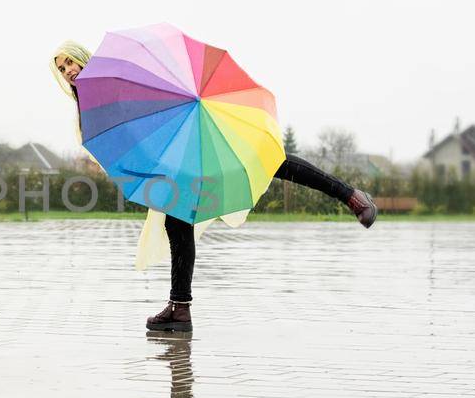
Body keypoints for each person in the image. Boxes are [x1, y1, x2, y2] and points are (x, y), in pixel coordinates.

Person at [52, 40, 376, 334]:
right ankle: (179, 309)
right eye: (61, 68)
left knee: (273, 160)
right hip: (175, 149)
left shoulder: (105, 79)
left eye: (69, 62)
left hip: (190, 131)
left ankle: (350, 196)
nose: (67, 71)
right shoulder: (87, 97)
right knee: (177, 223)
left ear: (82, 58)